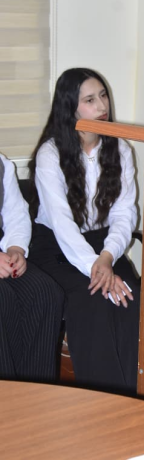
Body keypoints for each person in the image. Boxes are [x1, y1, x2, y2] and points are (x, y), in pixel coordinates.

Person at [28, 68, 140, 394]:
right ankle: (102, 402)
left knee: (130, 297)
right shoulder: (51, 154)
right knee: (93, 300)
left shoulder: (120, 149)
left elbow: (124, 214)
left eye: (103, 96)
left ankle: (134, 398)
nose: (102, 106)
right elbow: (62, 224)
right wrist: (94, 266)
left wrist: (107, 257)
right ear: (70, 107)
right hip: (56, 247)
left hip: (104, 246)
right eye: (90, 100)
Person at [0, 153, 64, 381]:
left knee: (44, 292)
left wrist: (16, 249)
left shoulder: (1, 164)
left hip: (2, 253)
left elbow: (16, 214)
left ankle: (36, 393)